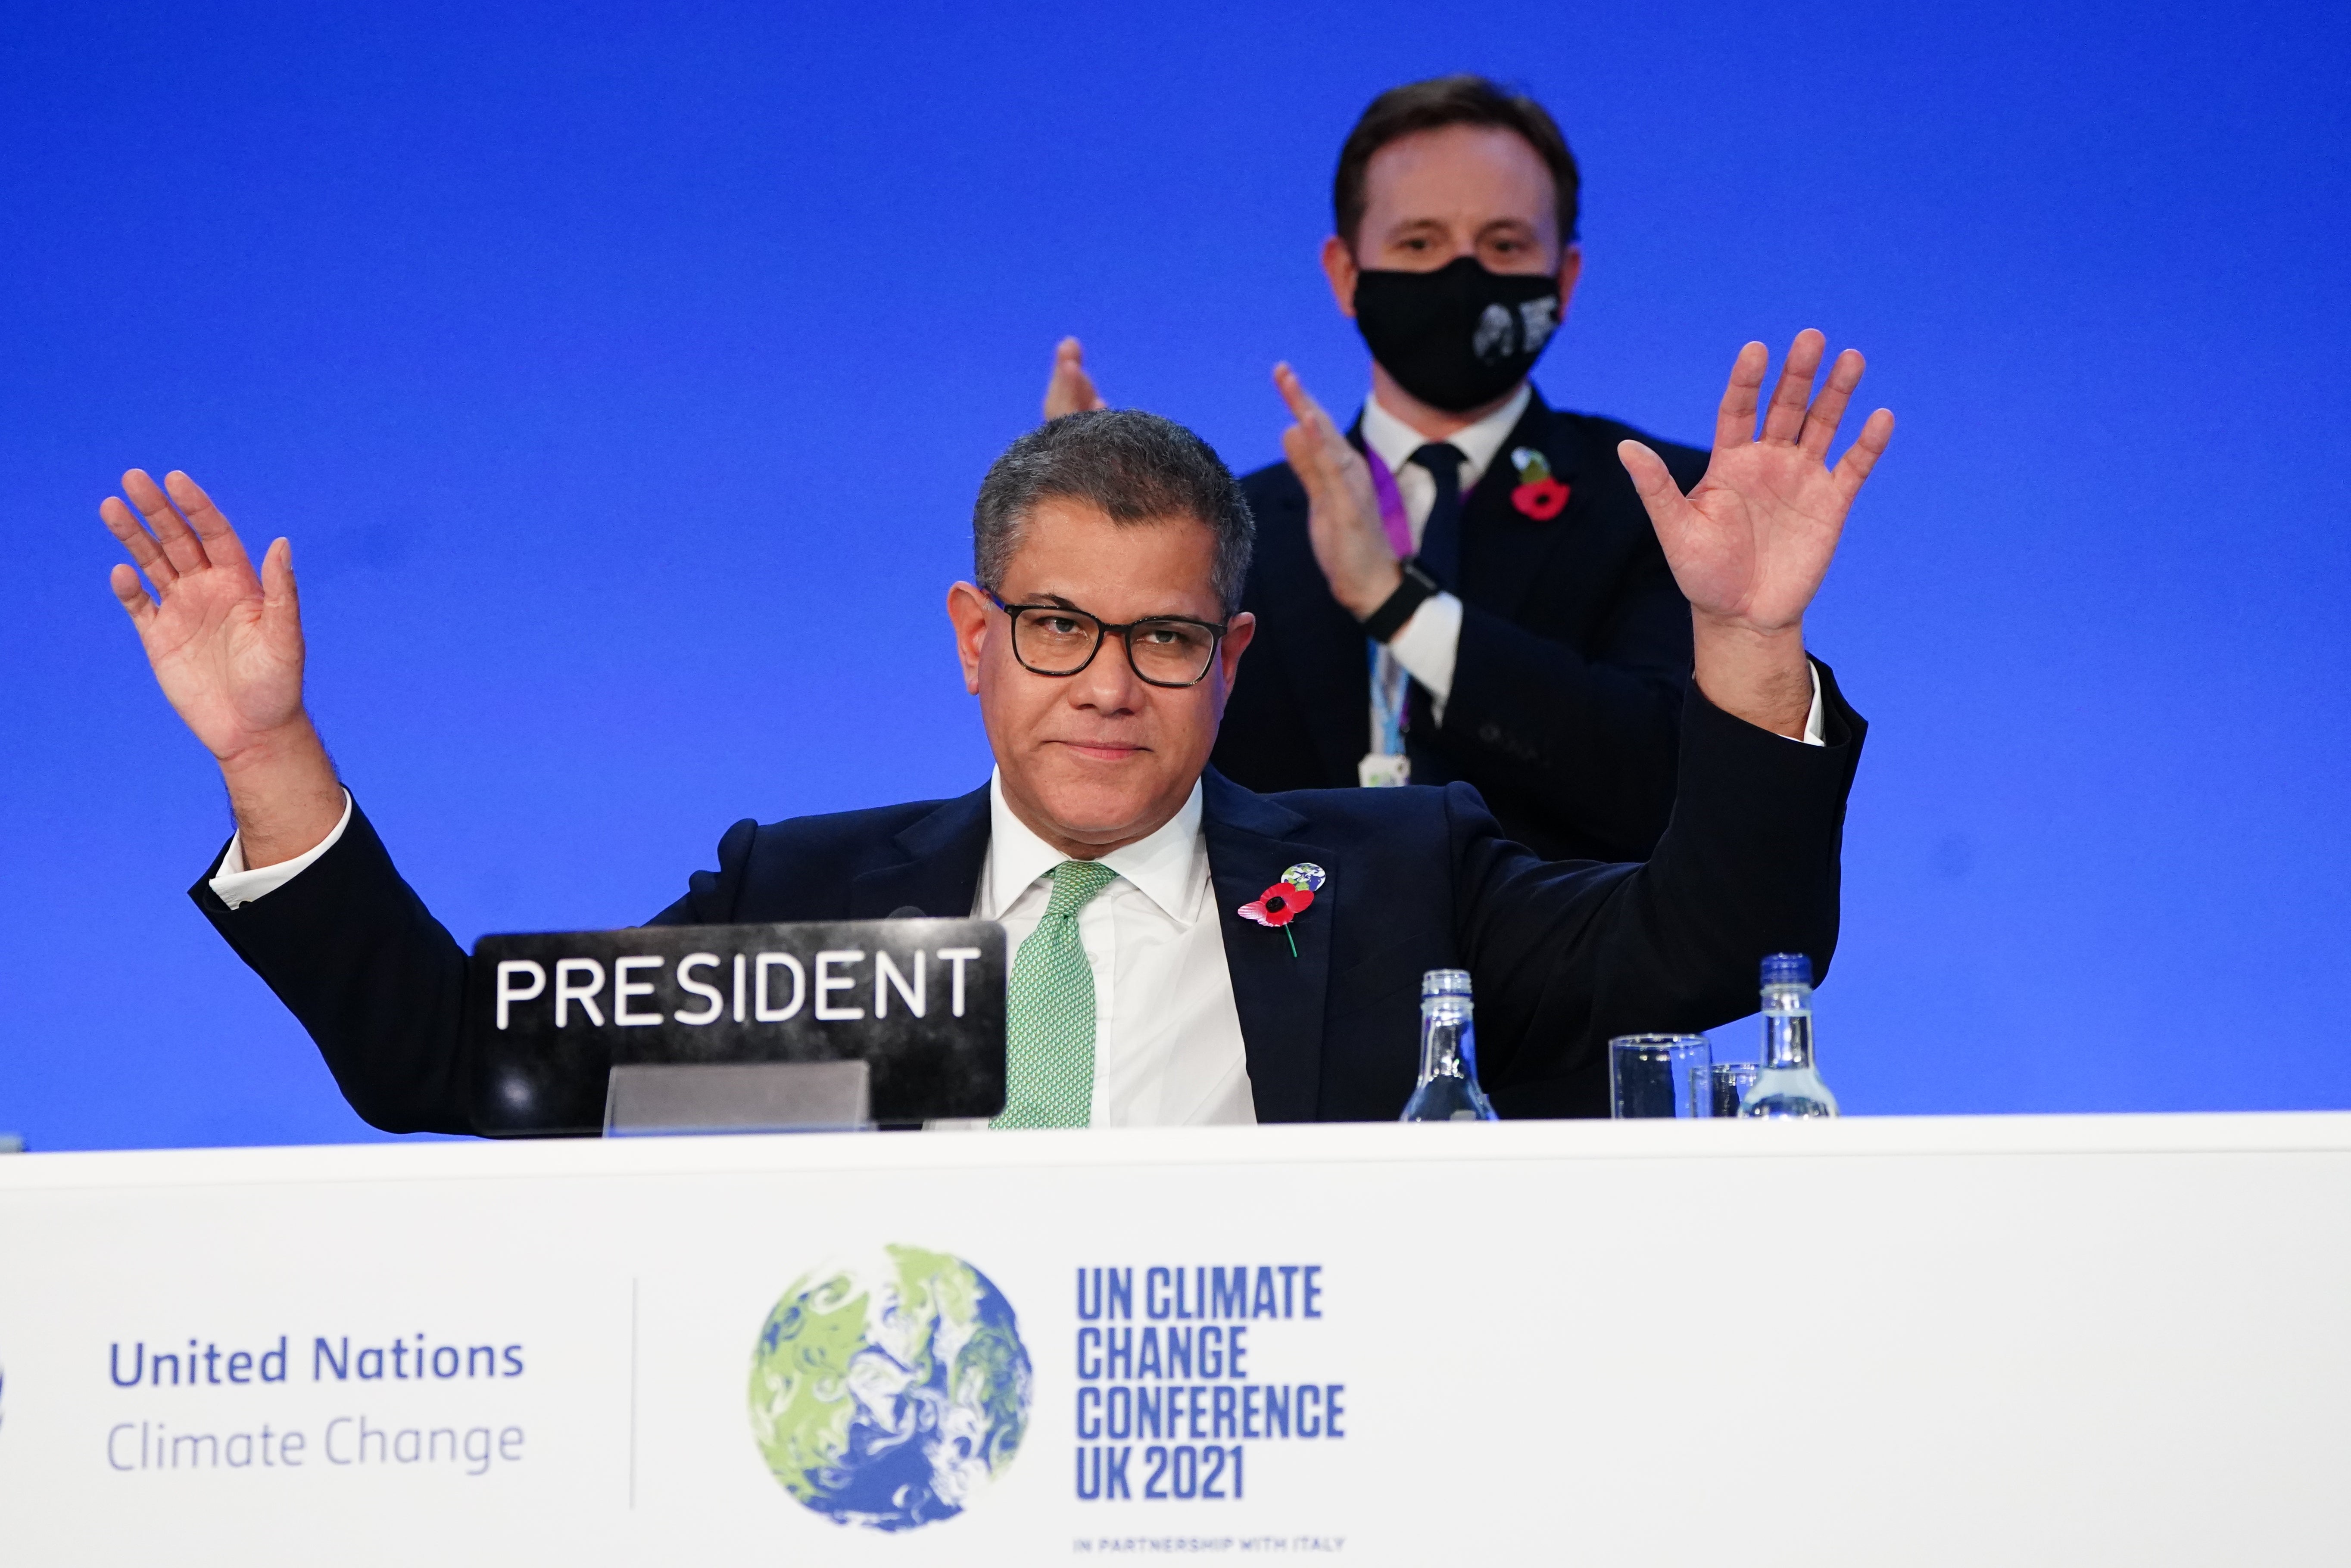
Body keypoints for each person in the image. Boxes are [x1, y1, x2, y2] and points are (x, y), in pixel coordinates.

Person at [101, 333, 1886, 1127]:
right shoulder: (805, 903)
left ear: (1230, 652)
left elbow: (1706, 947)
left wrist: (1745, 634)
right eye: (1054, 626)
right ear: (973, 638)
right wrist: (269, 750)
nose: (1105, 679)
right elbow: (453, 1062)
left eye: (1164, 636)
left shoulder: (1395, 871)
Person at [1046, 76, 1715, 862]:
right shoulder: (1232, 528)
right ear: (1345, 274)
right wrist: (1097, 562)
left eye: (1504, 246)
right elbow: (1130, 800)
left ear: (1564, 281)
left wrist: (1399, 605)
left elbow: (1673, 782)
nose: (1461, 278)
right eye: (1419, 244)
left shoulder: (1661, 496)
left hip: (1569, 977)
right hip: (1286, 978)